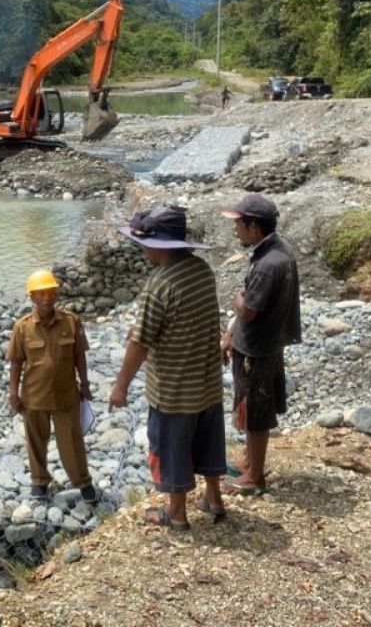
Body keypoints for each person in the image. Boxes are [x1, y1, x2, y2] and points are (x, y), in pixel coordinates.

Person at [109, 205, 226, 531]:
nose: (142, 249)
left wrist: (121, 385)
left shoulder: (159, 284)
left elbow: (140, 342)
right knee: (208, 441)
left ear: (157, 245)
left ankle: (176, 512)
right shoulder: (202, 271)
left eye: (143, 243)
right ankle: (214, 498)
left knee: (173, 447)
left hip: (173, 389)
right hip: (208, 382)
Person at [219, 193, 301, 496]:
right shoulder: (278, 251)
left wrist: (237, 300)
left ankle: (254, 476)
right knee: (252, 408)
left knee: (255, 413)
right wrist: (230, 335)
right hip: (263, 344)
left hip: (257, 348)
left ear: (254, 226)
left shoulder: (268, 264)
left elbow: (249, 310)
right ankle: (250, 461)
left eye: (239, 223)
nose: (236, 229)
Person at [7, 269, 98, 504]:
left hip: (66, 395)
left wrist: (85, 384)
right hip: (34, 397)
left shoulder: (71, 321)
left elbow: (80, 355)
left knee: (72, 440)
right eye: (41, 293)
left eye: (50, 292)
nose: (47, 298)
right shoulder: (22, 327)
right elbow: (16, 361)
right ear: (32, 297)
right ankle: (39, 481)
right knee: (36, 440)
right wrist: (13, 393)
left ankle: (83, 482)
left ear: (56, 294)